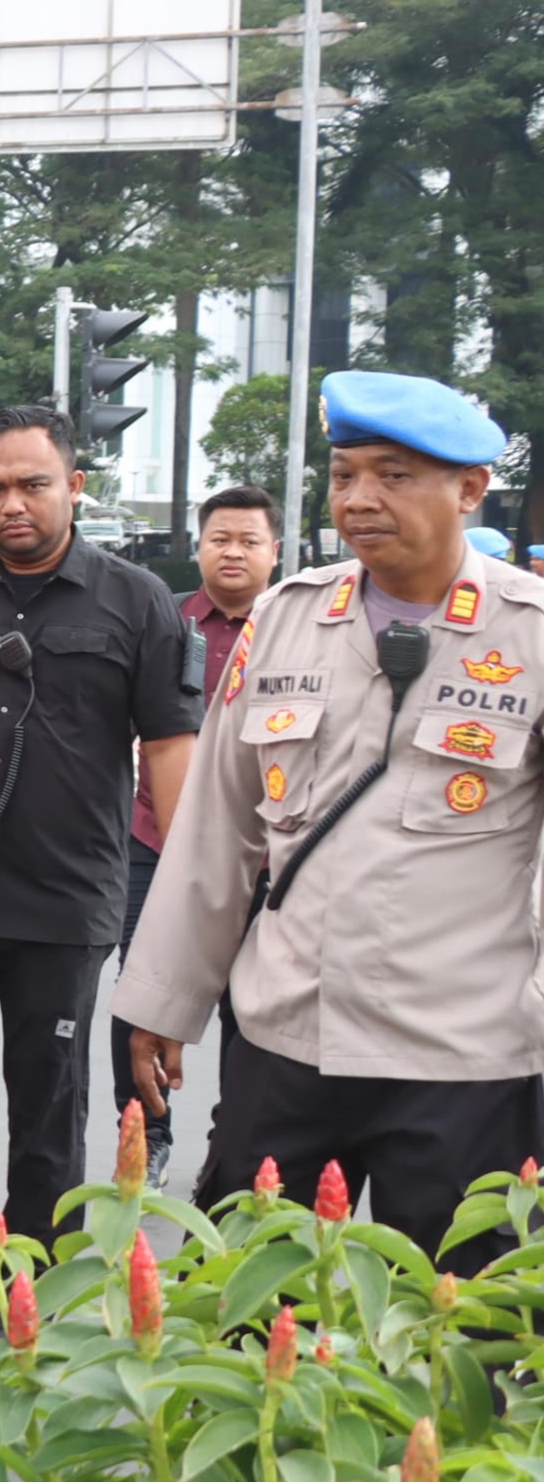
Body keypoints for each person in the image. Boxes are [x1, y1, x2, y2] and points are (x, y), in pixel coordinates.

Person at [119, 372, 544, 1263]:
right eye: (344, 474)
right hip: (287, 1041)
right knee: (243, 1328)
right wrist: (163, 1000)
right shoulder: (289, 618)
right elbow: (217, 827)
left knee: (455, 1334)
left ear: (469, 490)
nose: (357, 500)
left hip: (462, 1057)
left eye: (392, 476)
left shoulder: (529, 634)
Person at [0, 406, 200, 1326]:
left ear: (74, 484)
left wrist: (178, 918)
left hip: (65, 898)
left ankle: (31, 1305)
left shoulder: (137, 600)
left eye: (31, 484)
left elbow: (171, 755)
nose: (11, 504)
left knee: (46, 1116)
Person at [102, 486, 275, 1178]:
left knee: (250, 1003)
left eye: (248, 541)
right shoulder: (163, 621)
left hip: (262, 849)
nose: (232, 551)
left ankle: (231, 1144)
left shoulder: (299, 629)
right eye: (219, 539)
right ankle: (144, 1131)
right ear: (198, 546)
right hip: (152, 841)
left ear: (273, 552)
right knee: (139, 988)